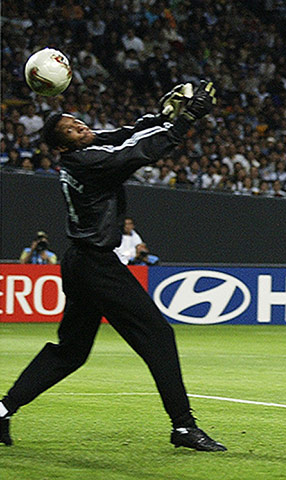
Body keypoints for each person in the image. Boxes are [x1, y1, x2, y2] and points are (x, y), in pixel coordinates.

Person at [0, 81, 226, 451]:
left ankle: (2, 410)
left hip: (79, 262)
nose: (83, 128)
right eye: (73, 129)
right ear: (62, 146)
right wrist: (186, 120)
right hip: (96, 265)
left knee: (70, 352)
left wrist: (164, 115)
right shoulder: (90, 162)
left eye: (79, 122)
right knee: (158, 336)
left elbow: (125, 133)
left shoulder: (83, 150)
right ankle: (183, 427)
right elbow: (138, 150)